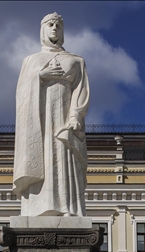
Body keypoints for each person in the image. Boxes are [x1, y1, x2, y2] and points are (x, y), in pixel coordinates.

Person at [13, 12, 90, 217]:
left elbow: (81, 90)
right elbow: (21, 93)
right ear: (43, 29)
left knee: (63, 155)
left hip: (64, 118)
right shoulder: (31, 60)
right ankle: (36, 208)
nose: (54, 28)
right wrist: (40, 76)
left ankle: (68, 208)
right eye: (50, 24)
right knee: (43, 155)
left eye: (58, 25)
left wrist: (75, 115)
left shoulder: (76, 61)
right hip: (39, 119)